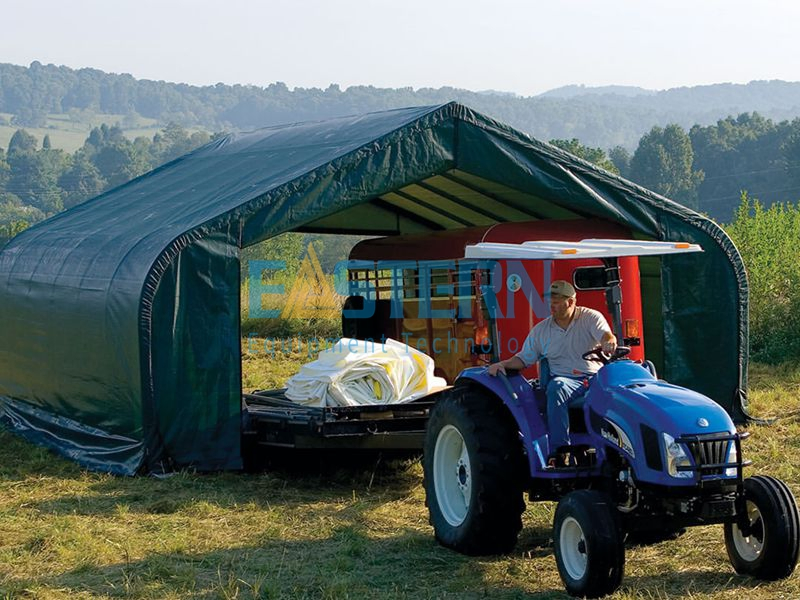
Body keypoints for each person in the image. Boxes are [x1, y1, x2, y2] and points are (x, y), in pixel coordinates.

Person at [487, 280, 617, 466]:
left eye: (556, 301)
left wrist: (609, 341)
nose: (552, 305)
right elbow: (524, 359)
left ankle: (614, 447)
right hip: (567, 381)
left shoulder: (590, 318)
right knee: (557, 387)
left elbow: (605, 335)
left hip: (595, 378)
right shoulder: (542, 331)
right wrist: (503, 364)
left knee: (620, 392)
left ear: (571, 302)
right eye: (551, 301)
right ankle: (560, 450)